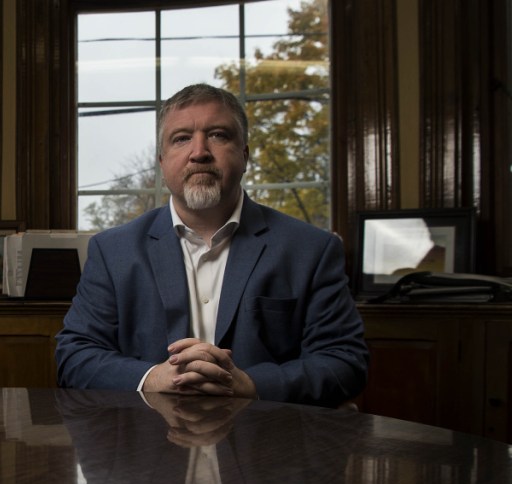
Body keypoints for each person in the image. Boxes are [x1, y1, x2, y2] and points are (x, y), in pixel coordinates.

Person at [55, 83, 368, 408]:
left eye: (218, 135)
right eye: (181, 138)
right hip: (147, 446)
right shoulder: (112, 251)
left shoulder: (311, 250)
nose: (199, 151)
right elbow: (75, 357)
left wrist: (252, 384)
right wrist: (154, 379)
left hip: (269, 444)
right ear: (162, 162)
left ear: (245, 155)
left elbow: (345, 362)